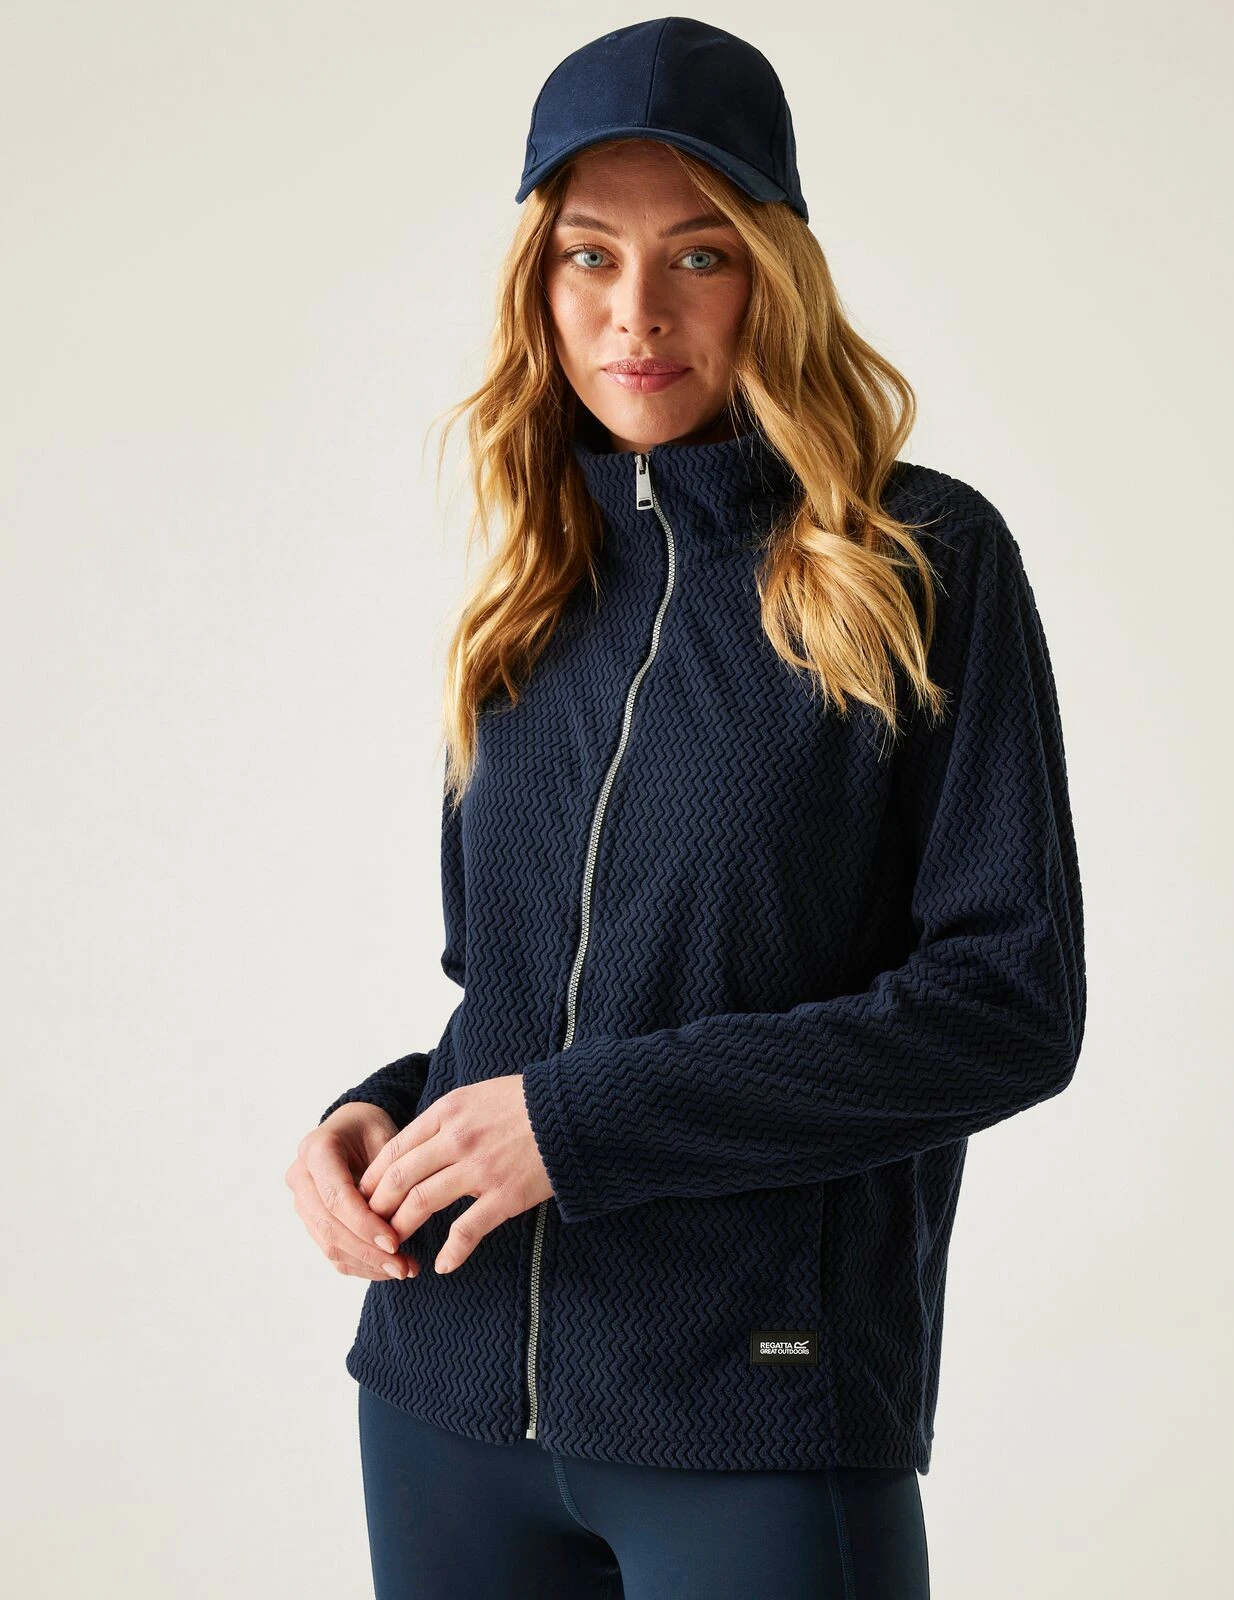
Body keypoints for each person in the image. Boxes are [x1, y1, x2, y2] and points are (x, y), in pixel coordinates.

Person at [285, 17, 1087, 1598]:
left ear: (770, 278)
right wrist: (382, 1119)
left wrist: (574, 1129)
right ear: (540, 286)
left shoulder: (920, 563)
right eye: (589, 256)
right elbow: (515, 1001)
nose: (635, 312)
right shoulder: (533, 591)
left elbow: (1006, 1009)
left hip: (750, 1401)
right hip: (442, 1392)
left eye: (696, 256)